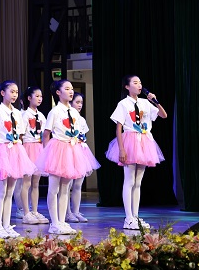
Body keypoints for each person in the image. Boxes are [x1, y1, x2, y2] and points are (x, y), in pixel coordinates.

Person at [105, 75, 167, 230]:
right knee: (129, 181)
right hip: (130, 141)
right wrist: (121, 148)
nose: (139, 85)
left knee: (138, 182)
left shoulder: (145, 102)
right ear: (127, 86)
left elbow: (163, 115)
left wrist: (155, 101)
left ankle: (136, 216)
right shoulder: (123, 104)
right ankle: (128, 218)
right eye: (135, 82)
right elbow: (118, 128)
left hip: (144, 141)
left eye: (140, 82)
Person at [34, 80, 92, 235]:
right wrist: (47, 154)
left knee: (66, 188)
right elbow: (46, 134)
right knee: (54, 188)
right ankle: (54, 222)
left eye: (71, 89)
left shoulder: (74, 112)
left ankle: (62, 221)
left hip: (71, 150)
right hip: (57, 149)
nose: (71, 91)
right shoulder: (55, 112)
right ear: (58, 92)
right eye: (67, 89)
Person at [0, 81, 36, 238]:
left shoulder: (18, 113)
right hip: (1, 152)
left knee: (10, 192)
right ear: (2, 93)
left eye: (16, 92)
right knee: (1, 191)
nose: (14, 95)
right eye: (11, 91)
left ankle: (7, 225)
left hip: (15, 151)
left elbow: (20, 134)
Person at [64, 92, 101, 223]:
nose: (80, 105)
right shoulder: (66, 117)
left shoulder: (81, 120)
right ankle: (67, 212)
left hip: (81, 151)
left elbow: (83, 136)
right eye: (77, 102)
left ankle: (76, 211)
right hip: (69, 150)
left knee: (78, 184)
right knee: (67, 184)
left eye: (81, 103)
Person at [18, 86, 50, 225]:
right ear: (29, 98)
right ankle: (26, 212)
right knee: (26, 182)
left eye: (41, 96)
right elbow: (20, 135)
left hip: (39, 148)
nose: (39, 98)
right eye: (36, 96)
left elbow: (45, 134)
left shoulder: (41, 115)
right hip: (28, 147)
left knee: (36, 182)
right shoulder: (24, 115)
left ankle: (35, 211)